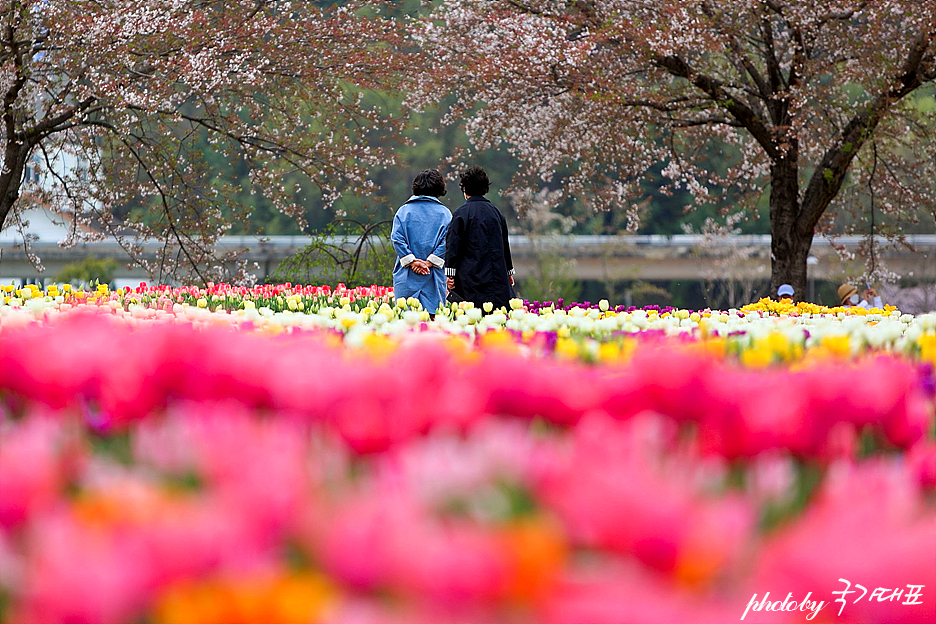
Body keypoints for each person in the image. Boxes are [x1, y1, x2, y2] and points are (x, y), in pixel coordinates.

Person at [444, 166, 515, 310]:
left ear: (465, 190)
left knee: (473, 318)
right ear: (485, 188)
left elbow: (453, 245)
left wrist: (450, 274)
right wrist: (508, 272)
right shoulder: (496, 213)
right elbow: (504, 245)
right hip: (496, 277)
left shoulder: (461, 214)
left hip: (470, 279)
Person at [390, 169, 452, 315]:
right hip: (433, 274)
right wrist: (430, 262)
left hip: (407, 274)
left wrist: (412, 261)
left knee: (406, 320)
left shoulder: (403, 211)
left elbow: (397, 239)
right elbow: (448, 241)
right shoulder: (445, 214)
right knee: (433, 321)